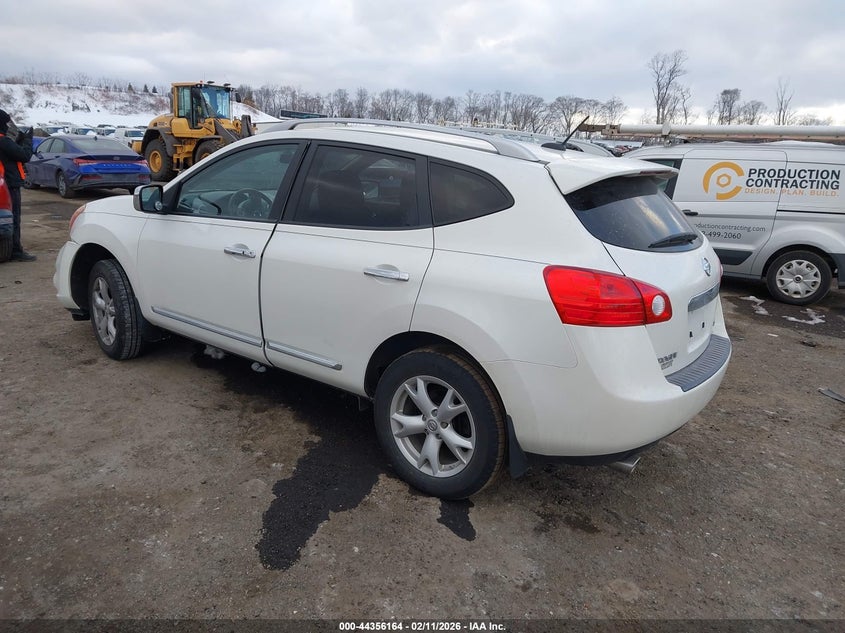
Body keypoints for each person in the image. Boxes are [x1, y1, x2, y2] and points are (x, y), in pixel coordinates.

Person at [0, 108, 35, 262]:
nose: (9, 126)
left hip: (3, 183)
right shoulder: (3, 141)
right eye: (6, 122)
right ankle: (16, 250)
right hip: (10, 184)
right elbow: (24, 155)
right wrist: (28, 140)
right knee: (14, 218)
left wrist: (19, 141)